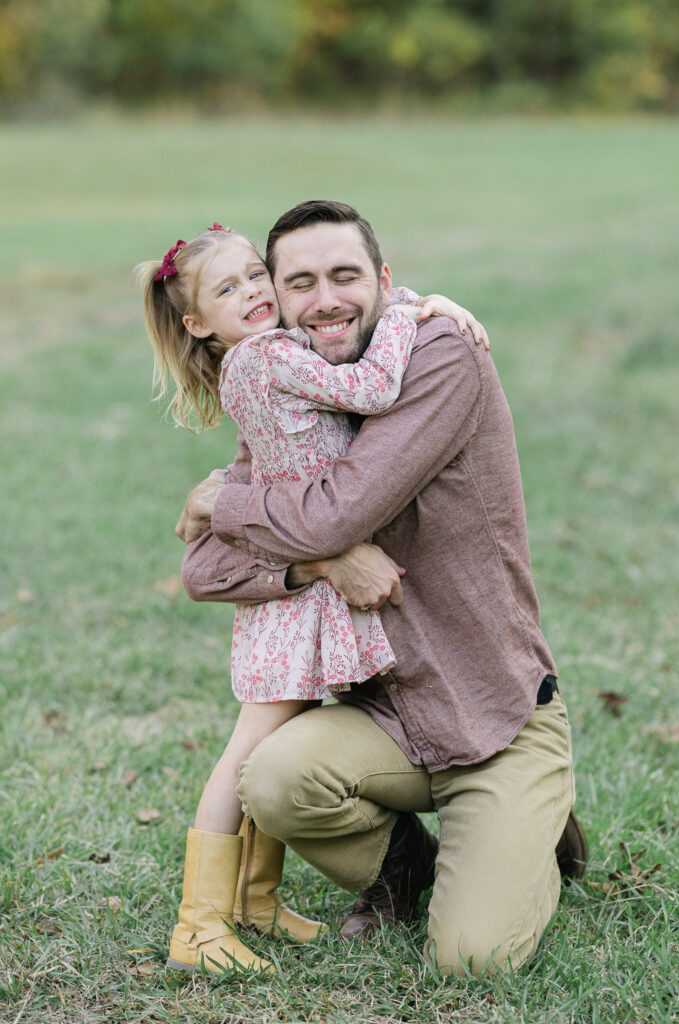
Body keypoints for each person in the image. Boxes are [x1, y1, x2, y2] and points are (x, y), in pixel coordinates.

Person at [177, 200, 588, 978]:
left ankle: (533, 822)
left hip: (492, 715)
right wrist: (311, 566)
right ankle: (405, 873)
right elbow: (204, 570)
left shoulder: (440, 356)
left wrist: (222, 502)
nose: (324, 299)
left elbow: (337, 511)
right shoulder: (290, 384)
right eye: (299, 282)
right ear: (279, 299)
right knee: (271, 775)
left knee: (473, 960)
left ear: (385, 281)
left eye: (345, 276)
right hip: (388, 720)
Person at [137, 222, 486, 975]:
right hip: (293, 592)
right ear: (197, 324)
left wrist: (414, 298)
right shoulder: (266, 357)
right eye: (228, 290)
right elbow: (369, 386)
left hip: (295, 576)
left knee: (270, 743)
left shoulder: (262, 354)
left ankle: (256, 899)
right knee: (246, 754)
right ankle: (198, 926)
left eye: (256, 276)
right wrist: (402, 316)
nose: (256, 292)